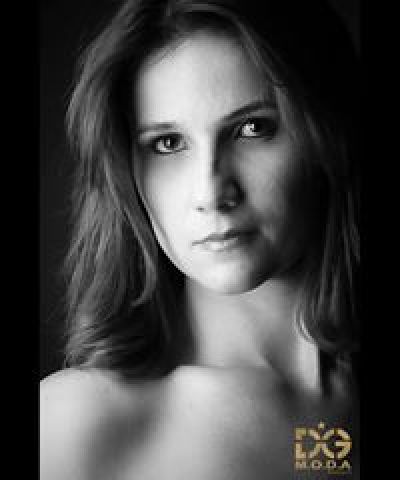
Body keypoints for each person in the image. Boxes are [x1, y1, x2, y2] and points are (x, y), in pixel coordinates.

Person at [40, 0, 360, 478]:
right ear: (128, 174)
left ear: (329, 137)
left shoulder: (334, 428)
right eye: (168, 144)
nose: (211, 192)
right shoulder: (72, 424)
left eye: (253, 129)